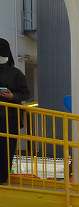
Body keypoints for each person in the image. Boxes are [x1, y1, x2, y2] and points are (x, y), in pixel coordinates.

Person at [0, 38, 30, 184]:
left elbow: (26, 94)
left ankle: (2, 177)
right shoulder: (16, 73)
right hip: (8, 117)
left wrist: (12, 96)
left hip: (9, 118)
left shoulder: (16, 74)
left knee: (7, 148)